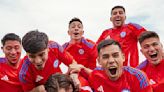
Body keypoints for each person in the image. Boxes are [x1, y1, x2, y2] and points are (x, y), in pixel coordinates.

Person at [62, 17, 96, 92]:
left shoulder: (90, 45)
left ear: (82, 32)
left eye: (79, 27)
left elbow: (100, 60)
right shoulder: (64, 47)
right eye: (73, 27)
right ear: (68, 32)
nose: (76, 28)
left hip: (89, 75)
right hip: (72, 75)